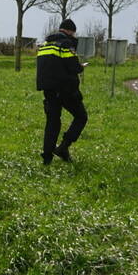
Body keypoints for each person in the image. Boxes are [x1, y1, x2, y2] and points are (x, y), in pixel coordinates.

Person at [36, 18, 88, 165]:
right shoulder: (65, 44)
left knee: (52, 123)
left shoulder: (45, 45)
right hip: (65, 90)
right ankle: (63, 147)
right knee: (81, 116)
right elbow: (73, 67)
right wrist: (81, 66)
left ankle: (47, 158)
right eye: (74, 33)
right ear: (70, 31)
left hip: (48, 90)